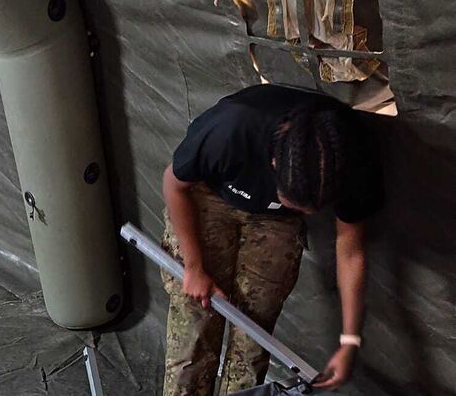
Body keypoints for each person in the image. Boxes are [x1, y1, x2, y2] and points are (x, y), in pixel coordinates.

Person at [161, 83, 382, 395]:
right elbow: (174, 185)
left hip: (277, 221)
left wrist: (350, 340)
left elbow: (351, 250)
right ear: (274, 165)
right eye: (292, 201)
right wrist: (194, 267)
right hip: (208, 195)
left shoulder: (355, 161)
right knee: (195, 324)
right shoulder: (232, 127)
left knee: (254, 331)